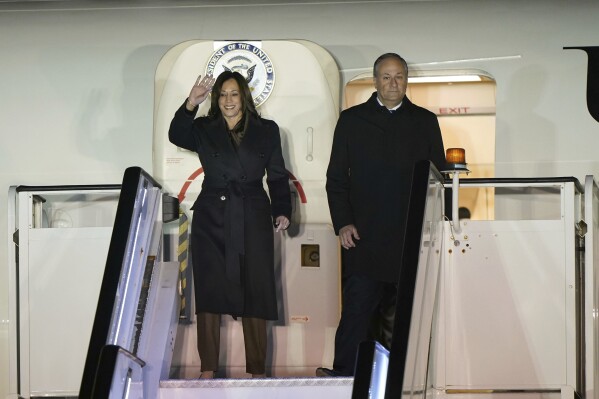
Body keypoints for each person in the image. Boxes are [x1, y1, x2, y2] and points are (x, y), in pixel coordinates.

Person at [317, 53, 448, 377]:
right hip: (364, 236)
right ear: (375, 80)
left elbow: (439, 180)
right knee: (358, 312)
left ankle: (406, 378)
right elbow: (336, 178)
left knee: (406, 315)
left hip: (410, 235)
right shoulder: (352, 120)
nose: (393, 83)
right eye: (387, 77)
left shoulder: (425, 121)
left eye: (400, 76)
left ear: (407, 80)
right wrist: (343, 222)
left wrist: (433, 226)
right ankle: (344, 376)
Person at [169, 71, 292, 378]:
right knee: (209, 292)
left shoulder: (267, 129)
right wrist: (190, 103)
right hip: (212, 217)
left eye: (234, 94)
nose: (228, 100)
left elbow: (276, 174)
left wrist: (282, 209)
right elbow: (175, 134)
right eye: (222, 94)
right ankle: (207, 368)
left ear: (244, 97)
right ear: (216, 98)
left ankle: (257, 371)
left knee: (256, 288)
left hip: (252, 214)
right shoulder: (202, 127)